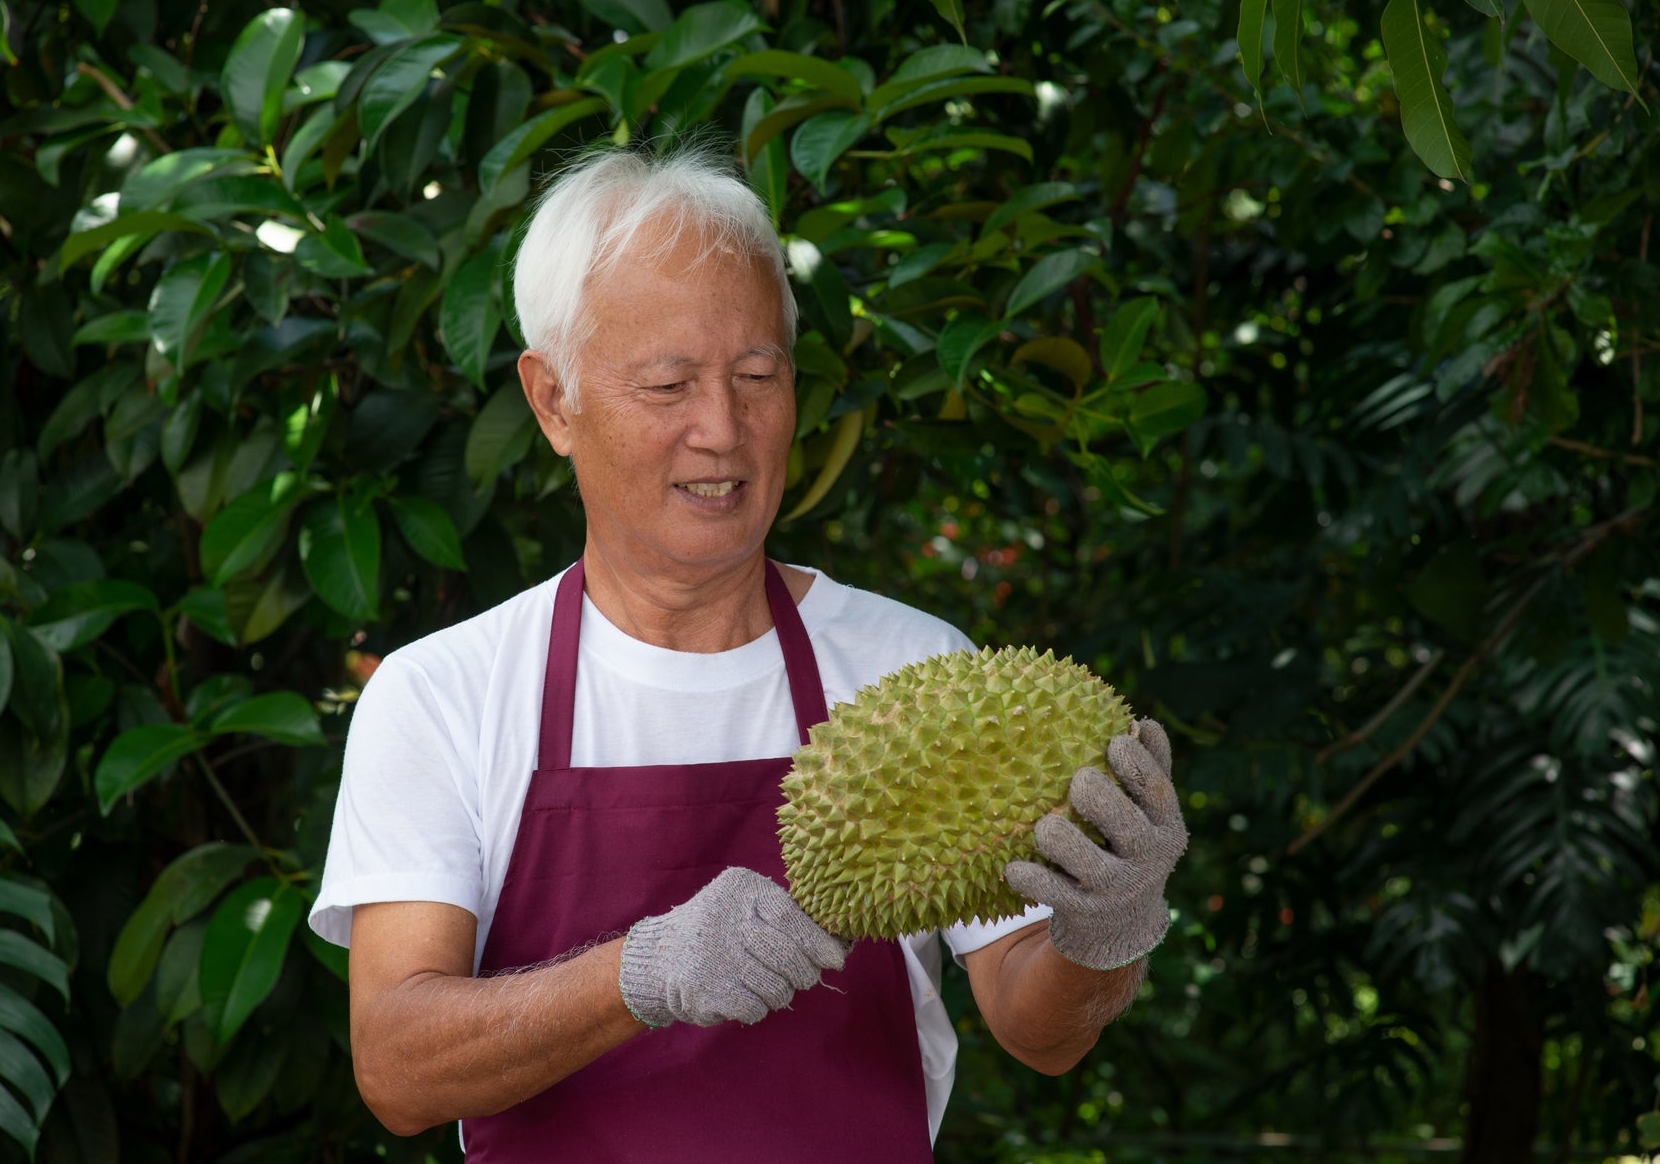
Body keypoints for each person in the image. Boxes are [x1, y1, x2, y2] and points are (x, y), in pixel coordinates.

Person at [308, 145, 1189, 1161]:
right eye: (668, 383)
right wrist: (641, 971)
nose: (722, 430)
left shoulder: (917, 669)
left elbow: (1038, 1030)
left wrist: (1105, 935)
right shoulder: (443, 696)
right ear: (553, 401)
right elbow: (397, 1066)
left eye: (758, 374)